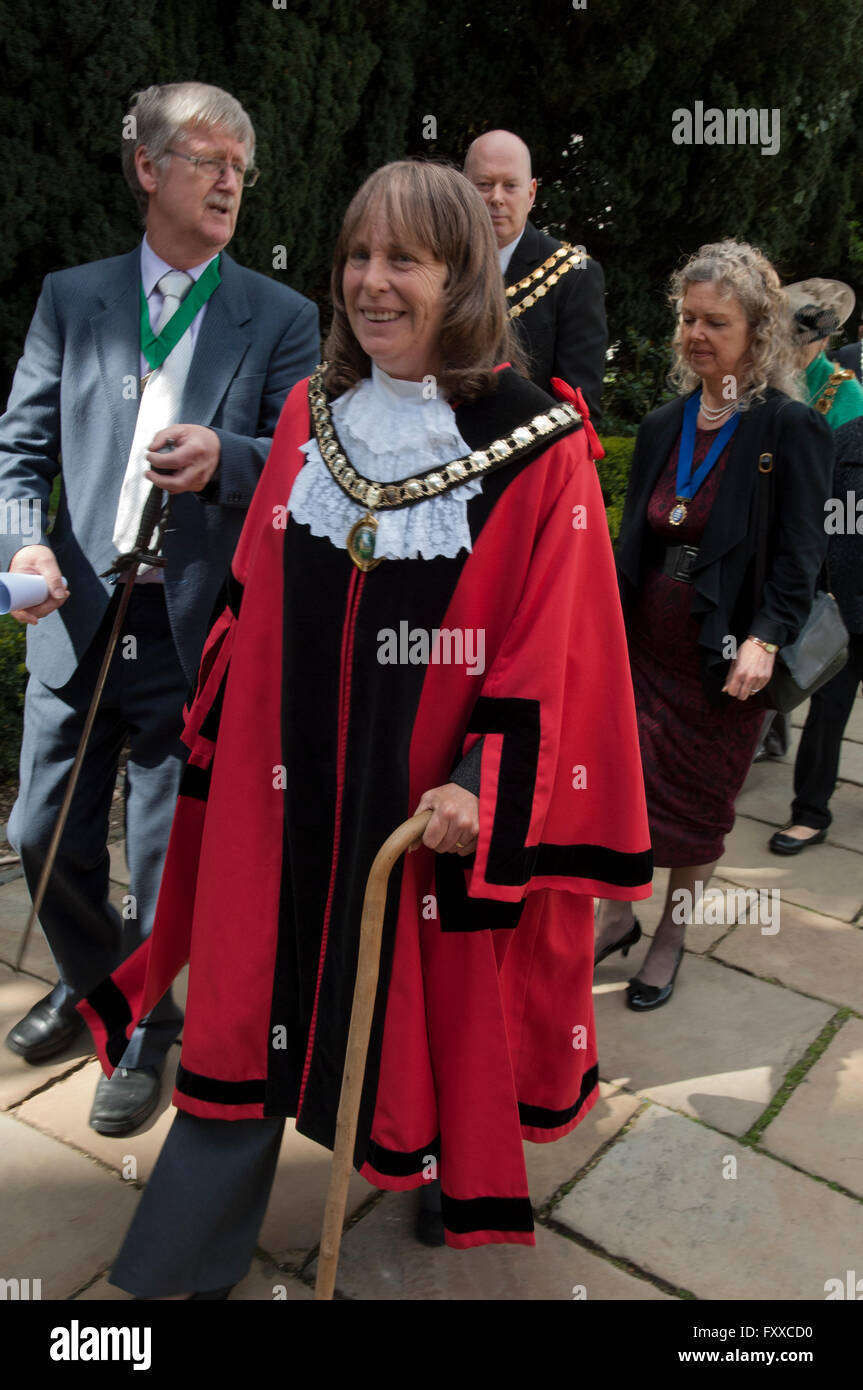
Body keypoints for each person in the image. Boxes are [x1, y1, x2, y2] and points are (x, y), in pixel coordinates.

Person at [78, 159, 652, 1294]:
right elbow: (259, 592)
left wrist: (487, 780)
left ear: (464, 275)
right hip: (281, 795)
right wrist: (218, 742)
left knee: (426, 1005)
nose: (370, 284)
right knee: (247, 1016)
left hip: (420, 808)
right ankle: (173, 1270)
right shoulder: (309, 412)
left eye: (405, 260)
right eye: (355, 255)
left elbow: (563, 648)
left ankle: (432, 1154)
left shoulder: (542, 450)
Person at [0, 82, 319, 1136]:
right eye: (209, 159)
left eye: (243, 166)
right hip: (75, 610)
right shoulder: (71, 295)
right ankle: (97, 986)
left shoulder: (278, 315)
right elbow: (19, 456)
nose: (231, 180)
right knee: (42, 830)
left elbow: (306, 463)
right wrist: (22, 543)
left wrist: (225, 458)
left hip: (191, 628)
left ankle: (143, 1028)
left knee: (161, 851)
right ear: (148, 168)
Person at [596, 240, 833, 1011]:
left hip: (722, 655)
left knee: (697, 814)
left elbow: (800, 555)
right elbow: (634, 537)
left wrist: (765, 637)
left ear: (756, 332)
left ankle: (671, 934)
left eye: (716, 323)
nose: (696, 335)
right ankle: (615, 915)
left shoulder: (787, 428)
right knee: (619, 791)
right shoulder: (666, 422)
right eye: (687, 319)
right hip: (640, 644)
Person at [768, 280, 863, 855]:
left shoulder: (847, 400)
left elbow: (846, 511)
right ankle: (810, 811)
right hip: (815, 569)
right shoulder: (775, 384)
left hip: (844, 574)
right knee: (827, 696)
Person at [463, 130, 607, 420]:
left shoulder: (573, 275)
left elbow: (578, 407)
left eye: (510, 186)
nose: (497, 198)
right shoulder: (435, 265)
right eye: (484, 184)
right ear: (463, 190)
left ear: (531, 194)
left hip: (528, 459)